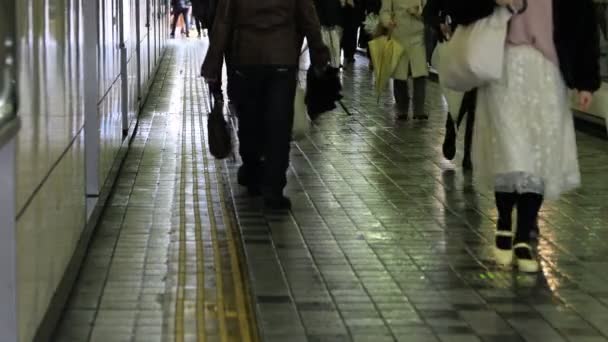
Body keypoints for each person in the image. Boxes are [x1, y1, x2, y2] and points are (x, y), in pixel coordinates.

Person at [448, 0, 600, 272]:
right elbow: (458, 9)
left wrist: (586, 80)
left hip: (548, 71)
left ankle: (523, 234)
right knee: (508, 148)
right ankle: (504, 222)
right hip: (502, 68)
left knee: (539, 153)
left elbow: (583, 20)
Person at [202, 0, 329, 210]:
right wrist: (319, 52)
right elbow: (309, 17)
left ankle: (252, 173)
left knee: (250, 119)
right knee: (279, 126)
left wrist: (213, 61)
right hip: (282, 59)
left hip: (246, 59)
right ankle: (274, 189)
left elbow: (223, 21)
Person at [422, 0, 475, 170]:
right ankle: (451, 128)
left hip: (479, 49)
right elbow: (428, 13)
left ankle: (469, 155)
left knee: (475, 103)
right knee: (460, 98)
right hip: (453, 47)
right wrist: (440, 25)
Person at [380, 0, 428, 120]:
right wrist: (388, 22)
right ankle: (402, 110)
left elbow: (428, 10)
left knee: (420, 75)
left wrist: (418, 12)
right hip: (398, 36)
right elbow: (384, 11)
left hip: (418, 37)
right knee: (400, 76)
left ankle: (419, 110)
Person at [341, 0, 364, 67]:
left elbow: (361, 6)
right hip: (345, 18)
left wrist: (353, 4)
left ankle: (351, 55)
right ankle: (346, 55)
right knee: (346, 36)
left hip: (354, 18)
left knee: (353, 36)